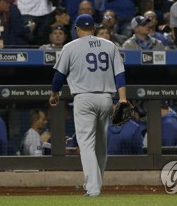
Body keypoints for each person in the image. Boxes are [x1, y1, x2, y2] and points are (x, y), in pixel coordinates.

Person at [49, 14, 128, 197]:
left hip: (84, 98)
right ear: (93, 28)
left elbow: (58, 77)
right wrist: (122, 99)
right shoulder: (110, 45)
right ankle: (97, 184)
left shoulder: (70, 47)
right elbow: (120, 75)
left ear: (77, 29)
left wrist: (54, 94)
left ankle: (92, 189)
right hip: (106, 99)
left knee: (86, 145)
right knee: (101, 145)